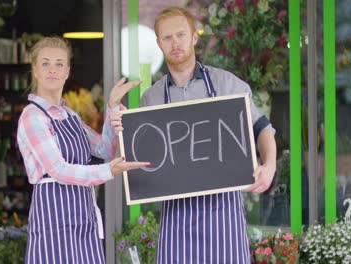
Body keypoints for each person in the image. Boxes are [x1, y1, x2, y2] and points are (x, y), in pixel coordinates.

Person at [140, 7, 277, 263]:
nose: (175, 43)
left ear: (194, 37)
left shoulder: (227, 84)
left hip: (223, 213)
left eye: (181, 34)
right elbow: (145, 157)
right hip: (175, 217)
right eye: (167, 38)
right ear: (159, 43)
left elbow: (262, 128)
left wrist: (268, 165)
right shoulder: (151, 97)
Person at [17, 37, 149, 264]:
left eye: (59, 64)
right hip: (53, 225)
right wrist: (109, 171)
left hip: (83, 221)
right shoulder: (32, 116)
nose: (52, 70)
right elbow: (58, 170)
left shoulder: (70, 116)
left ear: (67, 72)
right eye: (45, 63)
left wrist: (112, 107)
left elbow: (104, 149)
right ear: (35, 70)